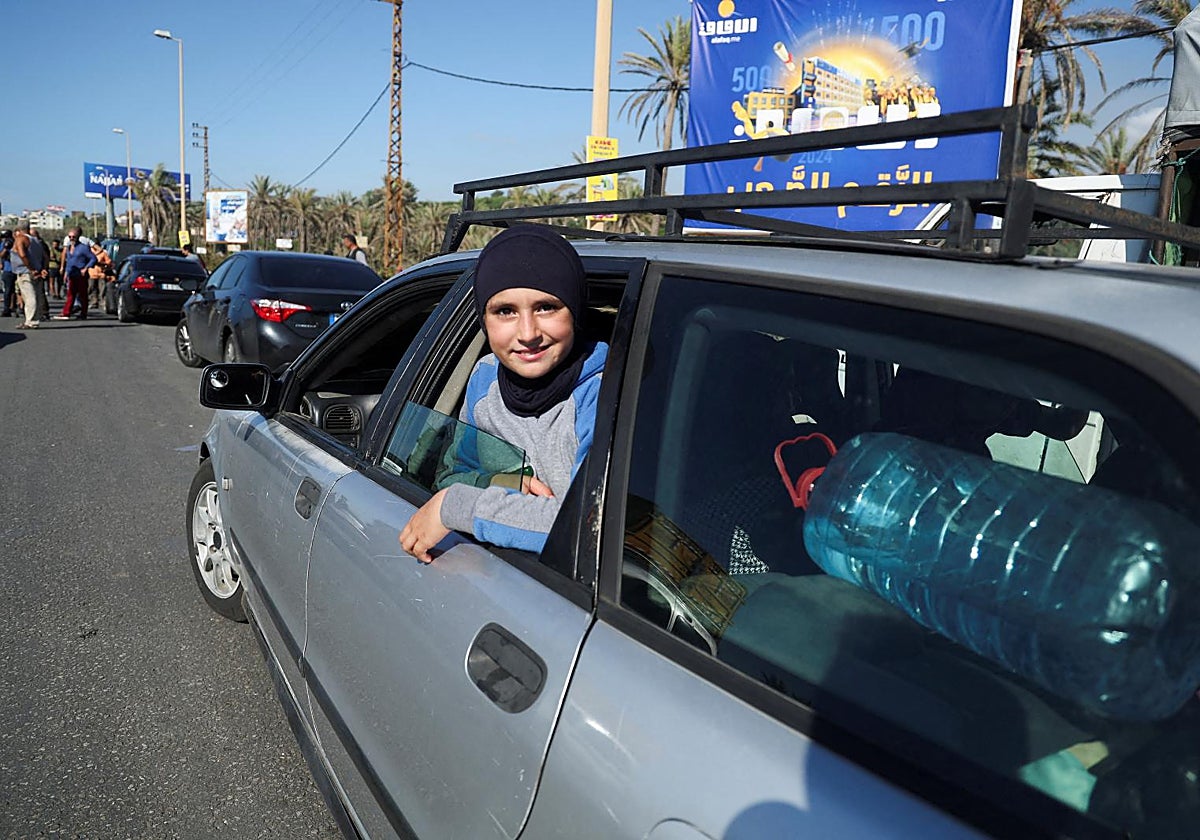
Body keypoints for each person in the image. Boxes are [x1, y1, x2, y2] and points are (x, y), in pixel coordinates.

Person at [398, 225, 607, 562]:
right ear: (484, 319)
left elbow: (589, 529)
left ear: (576, 310)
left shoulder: (601, 394)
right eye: (505, 311)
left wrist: (458, 508)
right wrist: (501, 483)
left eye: (546, 307)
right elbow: (453, 474)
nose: (527, 333)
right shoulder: (484, 380)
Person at [11, 221, 47, 330]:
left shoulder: (20, 239)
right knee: (35, 295)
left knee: (29, 296)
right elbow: (45, 256)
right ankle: (33, 319)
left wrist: (31, 268)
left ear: (18, 230)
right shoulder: (35, 240)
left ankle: (31, 321)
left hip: (26, 271)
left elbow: (22, 254)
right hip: (37, 270)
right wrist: (43, 269)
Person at [55, 228, 97, 320]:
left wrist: (86, 268)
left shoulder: (84, 248)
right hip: (72, 274)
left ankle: (83, 313)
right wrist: (66, 272)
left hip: (81, 275)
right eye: (69, 237)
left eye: (73, 237)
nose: (71, 238)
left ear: (78, 237)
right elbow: (69, 261)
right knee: (70, 294)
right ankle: (66, 312)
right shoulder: (69, 247)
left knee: (83, 295)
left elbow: (93, 258)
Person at [0, 229, 14, 317]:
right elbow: (1, 255)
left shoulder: (15, 242)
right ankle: (7, 308)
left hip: (14, 269)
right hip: (8, 268)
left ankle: (12, 307)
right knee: (9, 290)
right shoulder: (3, 244)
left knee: (14, 290)